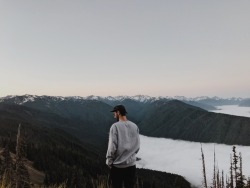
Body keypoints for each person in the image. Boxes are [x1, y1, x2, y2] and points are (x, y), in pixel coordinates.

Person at [106, 104, 140, 188]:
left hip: (118, 166)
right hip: (132, 166)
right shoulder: (134, 126)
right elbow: (137, 146)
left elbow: (112, 147)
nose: (113, 115)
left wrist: (109, 161)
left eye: (114, 113)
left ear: (118, 112)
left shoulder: (115, 126)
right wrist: (132, 156)